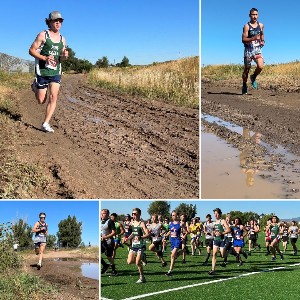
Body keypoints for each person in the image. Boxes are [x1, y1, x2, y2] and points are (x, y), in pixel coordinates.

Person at [29, 11, 69, 133]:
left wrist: (65, 56)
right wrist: (44, 58)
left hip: (56, 71)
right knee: (41, 100)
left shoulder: (63, 39)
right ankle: (35, 86)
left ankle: (45, 123)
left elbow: (61, 58)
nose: (58, 23)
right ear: (49, 22)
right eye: (55, 21)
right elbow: (31, 50)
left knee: (54, 96)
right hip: (42, 71)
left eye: (60, 21)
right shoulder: (43, 35)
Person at [242, 8, 265, 95]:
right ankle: (244, 85)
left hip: (257, 50)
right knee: (246, 70)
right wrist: (253, 38)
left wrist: (263, 41)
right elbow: (243, 39)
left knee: (260, 66)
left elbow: (262, 34)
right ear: (250, 15)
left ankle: (253, 77)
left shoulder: (261, 25)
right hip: (248, 50)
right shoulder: (247, 26)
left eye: (256, 15)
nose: (255, 16)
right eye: (253, 15)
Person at [127, 208, 149, 283]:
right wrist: (127, 238)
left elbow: (148, 234)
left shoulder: (142, 223)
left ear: (139, 214)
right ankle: (142, 257)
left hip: (140, 245)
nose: (133, 215)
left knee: (137, 263)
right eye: (133, 214)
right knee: (129, 262)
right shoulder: (132, 223)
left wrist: (141, 237)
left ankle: (142, 277)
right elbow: (133, 233)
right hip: (134, 245)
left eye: (135, 214)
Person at [208, 208, 230, 275]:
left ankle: (227, 253)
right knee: (214, 254)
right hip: (216, 240)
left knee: (222, 255)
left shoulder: (222, 221)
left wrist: (222, 233)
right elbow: (213, 231)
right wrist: (213, 233)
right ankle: (213, 269)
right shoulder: (214, 223)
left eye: (217, 214)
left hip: (222, 240)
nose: (215, 215)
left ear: (220, 214)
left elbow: (228, 230)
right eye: (214, 214)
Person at [165, 210, 186, 276]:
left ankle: (170, 270)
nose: (173, 216)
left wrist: (183, 235)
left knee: (173, 254)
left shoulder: (180, 223)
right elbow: (170, 231)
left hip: (177, 239)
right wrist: (165, 236)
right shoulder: (170, 223)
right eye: (172, 215)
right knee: (173, 256)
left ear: (177, 216)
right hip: (172, 240)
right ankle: (170, 271)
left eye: (174, 215)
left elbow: (186, 231)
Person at [101, 209, 117, 276]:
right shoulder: (100, 221)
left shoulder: (110, 222)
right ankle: (105, 265)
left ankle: (114, 270)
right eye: (101, 213)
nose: (102, 215)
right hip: (102, 241)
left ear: (107, 214)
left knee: (109, 257)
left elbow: (114, 232)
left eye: (104, 213)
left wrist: (105, 237)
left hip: (109, 242)